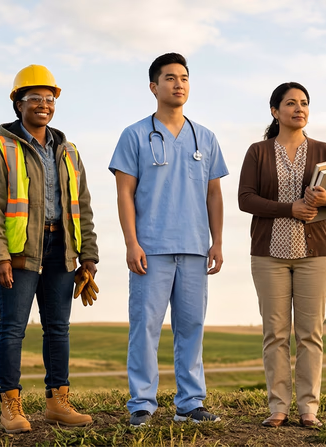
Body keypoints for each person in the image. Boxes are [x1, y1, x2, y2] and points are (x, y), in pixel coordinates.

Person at [0, 64, 99, 434]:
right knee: (12, 329)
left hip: (62, 249)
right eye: (35, 99)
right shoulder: (1, 147)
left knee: (58, 328)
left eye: (49, 99)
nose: (44, 105)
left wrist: (88, 255)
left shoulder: (69, 151)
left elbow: (84, 206)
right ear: (18, 104)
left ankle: (57, 402)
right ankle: (11, 405)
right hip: (19, 253)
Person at [109, 52, 229, 427]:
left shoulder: (204, 138)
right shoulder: (134, 135)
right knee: (144, 327)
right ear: (153, 86)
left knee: (191, 327)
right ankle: (141, 403)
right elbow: (124, 193)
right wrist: (132, 242)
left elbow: (214, 195)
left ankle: (190, 402)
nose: (179, 84)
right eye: (170, 78)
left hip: (194, 249)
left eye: (184, 78)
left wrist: (218, 241)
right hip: (152, 248)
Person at [238, 82, 326, 428]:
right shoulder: (258, 152)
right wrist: (290, 207)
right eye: (290, 103)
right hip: (268, 254)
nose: (298, 109)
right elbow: (246, 199)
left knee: (310, 333)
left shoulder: (325, 150)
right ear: (275, 111)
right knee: (275, 333)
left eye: (304, 103)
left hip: (315, 254)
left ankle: (308, 409)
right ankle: (278, 407)